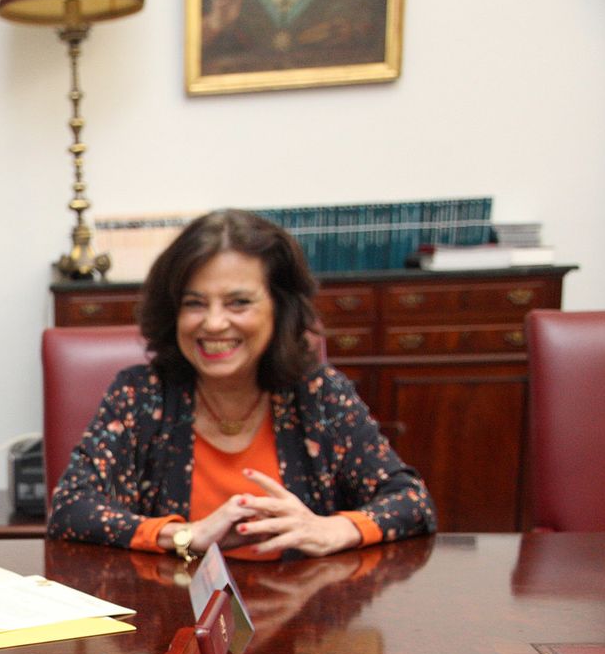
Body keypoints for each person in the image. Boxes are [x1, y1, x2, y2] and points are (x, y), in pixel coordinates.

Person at [47, 208, 436, 560]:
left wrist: (335, 529)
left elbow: (411, 501)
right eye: (195, 303)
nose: (214, 323)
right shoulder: (140, 394)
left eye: (238, 303)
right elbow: (70, 507)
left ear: (279, 308)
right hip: (174, 620)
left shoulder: (319, 394)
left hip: (303, 623)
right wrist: (183, 535)